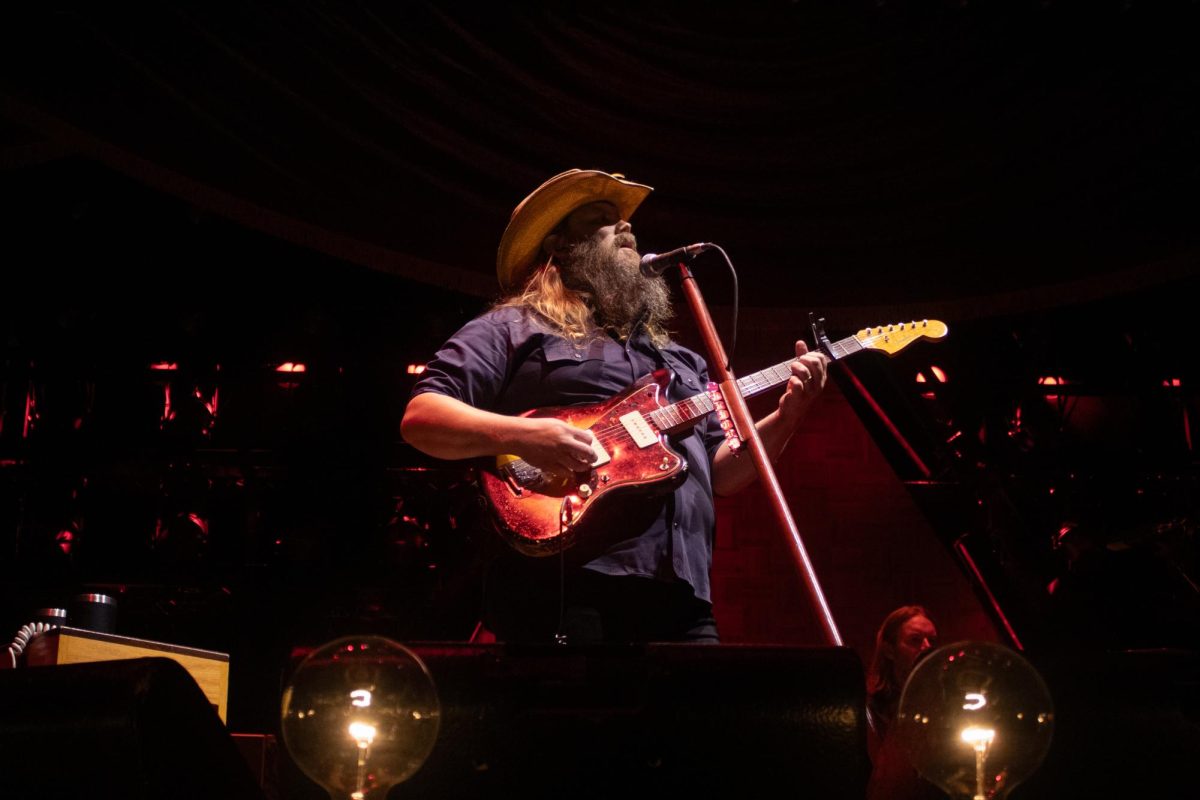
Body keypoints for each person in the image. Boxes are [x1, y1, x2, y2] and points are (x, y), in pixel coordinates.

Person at [400, 168, 829, 644]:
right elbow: (423, 418)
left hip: (680, 594)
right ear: (560, 247)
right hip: (568, 582)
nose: (626, 227)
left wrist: (789, 416)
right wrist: (526, 436)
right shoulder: (515, 327)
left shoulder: (680, 361)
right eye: (604, 219)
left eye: (627, 221)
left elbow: (722, 472)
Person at [865, 605, 941, 800]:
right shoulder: (869, 709)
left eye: (932, 640)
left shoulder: (946, 704)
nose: (926, 647)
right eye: (915, 640)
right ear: (890, 650)